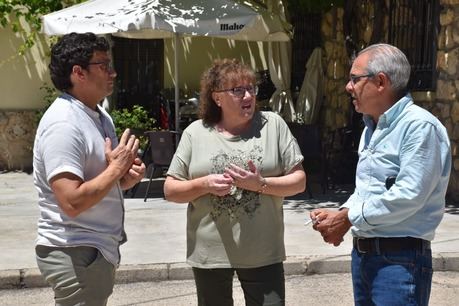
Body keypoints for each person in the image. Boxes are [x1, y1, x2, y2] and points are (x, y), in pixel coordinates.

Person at [310, 43, 451, 306]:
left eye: (354, 79)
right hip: (365, 257)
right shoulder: (372, 127)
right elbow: (368, 190)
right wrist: (341, 213)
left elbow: (408, 195)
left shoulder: (418, 127)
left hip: (400, 261)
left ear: (381, 82)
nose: (348, 87)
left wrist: (349, 218)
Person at [164, 58, 306, 306]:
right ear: (217, 97)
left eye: (251, 88)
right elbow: (171, 190)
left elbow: (299, 181)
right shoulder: (195, 132)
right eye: (237, 90)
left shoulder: (273, 125)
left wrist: (260, 184)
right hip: (210, 254)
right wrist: (204, 184)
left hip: (263, 251)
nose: (247, 95)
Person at [33, 32, 146, 305]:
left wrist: (123, 177)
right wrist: (115, 169)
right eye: (103, 65)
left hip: (91, 249)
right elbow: (71, 201)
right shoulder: (64, 124)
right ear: (78, 73)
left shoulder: (98, 114)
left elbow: (99, 181)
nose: (113, 72)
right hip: (75, 250)